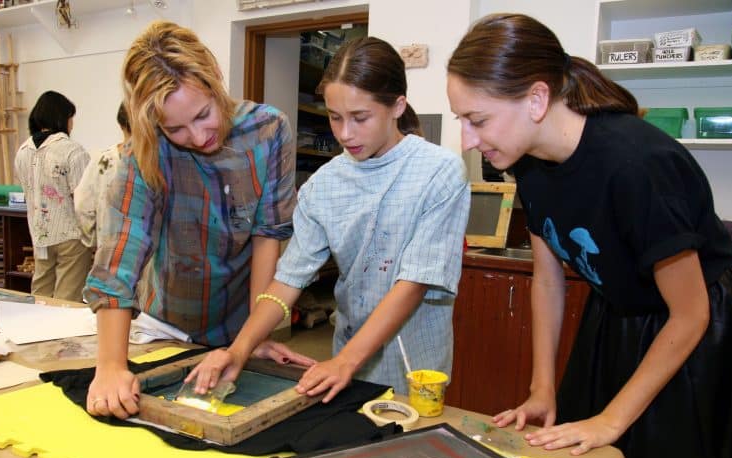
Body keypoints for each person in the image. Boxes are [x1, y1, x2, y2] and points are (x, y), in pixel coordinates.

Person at [446, 13, 732, 458]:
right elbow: (548, 280)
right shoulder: (526, 161)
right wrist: (542, 387)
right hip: (613, 324)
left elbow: (691, 314)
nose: (466, 138)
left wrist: (611, 421)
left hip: (690, 340)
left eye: (477, 119)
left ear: (534, 98)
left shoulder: (637, 164)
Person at [186, 37, 469, 403]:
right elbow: (288, 281)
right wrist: (239, 350)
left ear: (397, 106)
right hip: (347, 354)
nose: (345, 133)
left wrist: (345, 362)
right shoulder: (324, 186)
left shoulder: (439, 171)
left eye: (360, 117)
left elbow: (414, 281)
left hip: (417, 363)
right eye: (335, 117)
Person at [83, 21, 313, 419]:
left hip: (240, 327)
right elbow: (120, 257)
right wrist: (111, 367)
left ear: (215, 80)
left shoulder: (268, 130)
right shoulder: (143, 154)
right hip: (166, 327)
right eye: (176, 128)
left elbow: (267, 237)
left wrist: (253, 338)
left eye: (203, 114)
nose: (197, 134)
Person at [14, 90, 91, 302]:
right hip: (71, 235)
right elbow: (84, 198)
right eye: (71, 118)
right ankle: (61, 335)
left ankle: (36, 333)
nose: (72, 124)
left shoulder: (23, 151)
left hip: (40, 233)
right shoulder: (72, 151)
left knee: (40, 293)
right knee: (67, 298)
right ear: (62, 118)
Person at [74, 102, 131, 250]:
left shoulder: (101, 160)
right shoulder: (157, 162)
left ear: (120, 124)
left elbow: (82, 205)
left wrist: (93, 240)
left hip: (108, 249)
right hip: (147, 256)